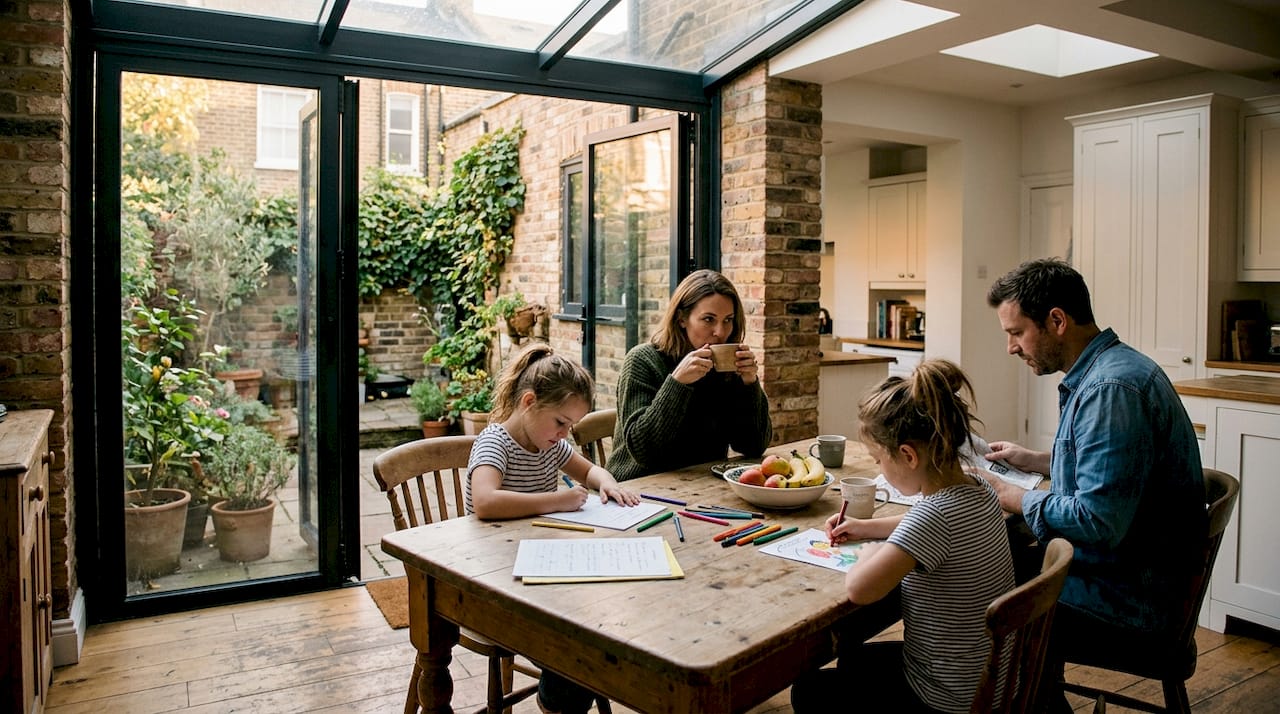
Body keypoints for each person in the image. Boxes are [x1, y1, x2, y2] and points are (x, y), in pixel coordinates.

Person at [981, 258, 1205, 711]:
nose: (1010, 347)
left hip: (1133, 601)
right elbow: (1121, 470)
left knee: (986, 592)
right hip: (1136, 575)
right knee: (1004, 570)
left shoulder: (1111, 389)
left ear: (1057, 321)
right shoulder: (1113, 369)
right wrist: (1037, 460)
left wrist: (1016, 496)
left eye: (1016, 332)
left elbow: (1100, 521)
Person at [791, 360, 1016, 714]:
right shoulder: (979, 489)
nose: (880, 469)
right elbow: (926, 524)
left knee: (808, 689)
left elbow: (860, 589)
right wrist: (867, 527)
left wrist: (868, 551)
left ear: (908, 455)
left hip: (946, 698)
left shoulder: (933, 517)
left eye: (879, 460)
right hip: (990, 677)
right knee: (855, 661)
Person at [465, 343, 640, 714]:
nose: (564, 434)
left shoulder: (549, 445)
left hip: (539, 573)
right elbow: (485, 501)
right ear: (529, 402)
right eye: (561, 422)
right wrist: (556, 500)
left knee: (595, 624)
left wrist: (605, 481)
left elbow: (589, 470)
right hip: (494, 583)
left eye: (571, 426)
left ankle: (567, 693)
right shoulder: (496, 443)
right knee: (575, 644)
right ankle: (559, 700)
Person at [606, 269, 772, 481]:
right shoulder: (643, 360)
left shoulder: (725, 370)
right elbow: (644, 452)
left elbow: (753, 447)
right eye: (709, 319)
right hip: (636, 490)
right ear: (682, 318)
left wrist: (749, 385)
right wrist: (677, 383)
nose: (720, 332)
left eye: (728, 320)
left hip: (702, 486)